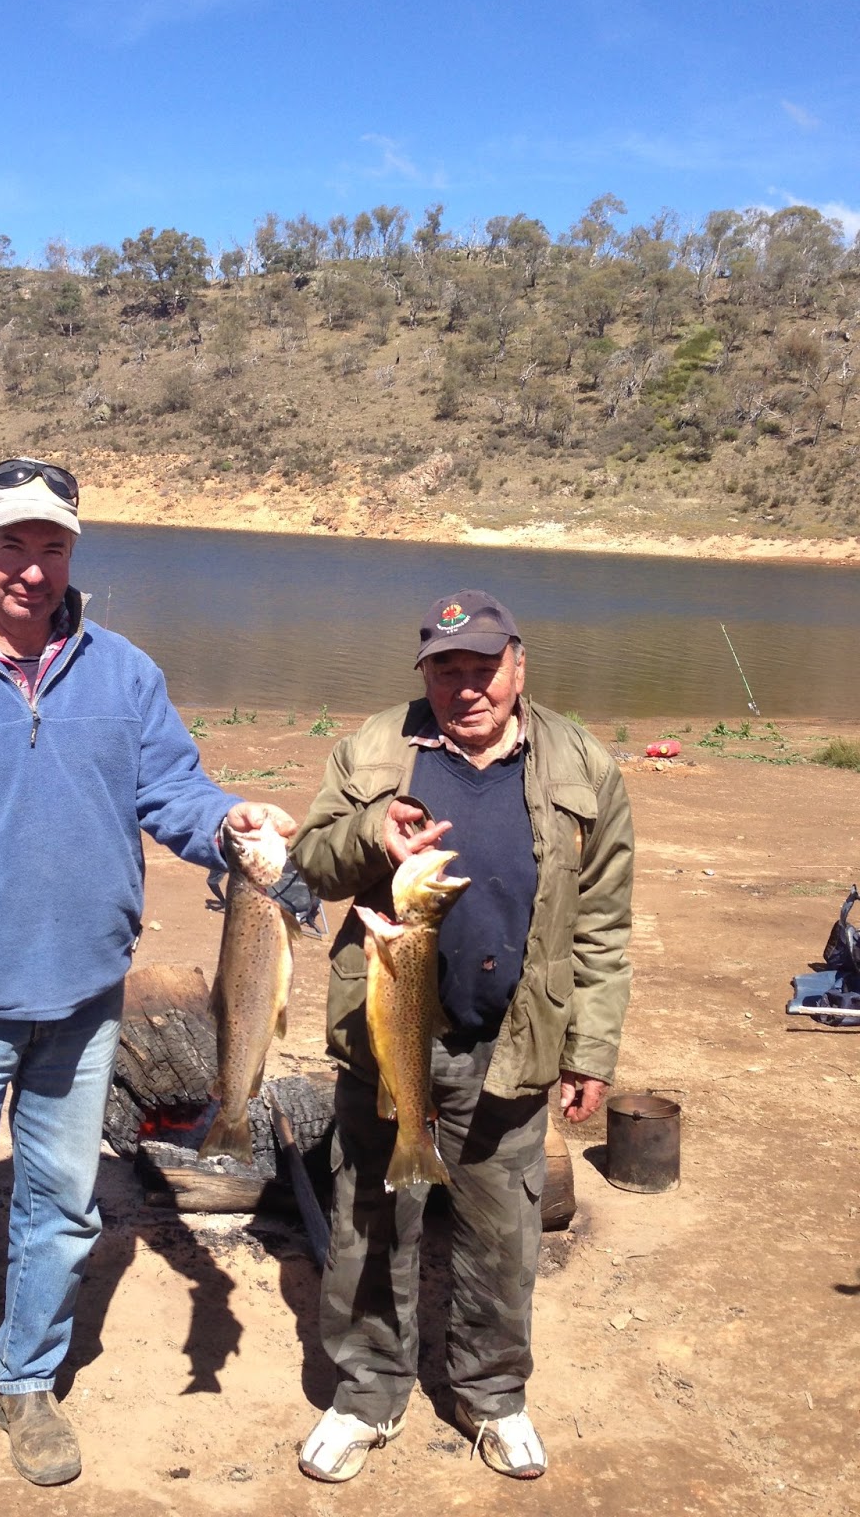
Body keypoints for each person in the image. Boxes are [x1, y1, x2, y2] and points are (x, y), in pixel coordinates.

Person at [0, 457, 294, 1502]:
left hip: (83, 1004)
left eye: (53, 544)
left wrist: (229, 824)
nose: (32, 567)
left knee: (62, 1210)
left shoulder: (121, 673)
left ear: (75, 548)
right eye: (12, 543)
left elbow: (171, 786)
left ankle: (27, 1382)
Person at [290, 589, 633, 1484]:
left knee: (503, 1232)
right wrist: (373, 830)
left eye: (483, 670)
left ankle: (492, 1394)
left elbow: (602, 922)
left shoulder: (583, 763)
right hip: (388, 1037)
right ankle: (367, 1393)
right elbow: (313, 862)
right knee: (369, 1219)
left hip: (512, 1040)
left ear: (519, 665)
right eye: (448, 671)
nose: (466, 689)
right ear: (426, 675)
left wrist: (591, 1048)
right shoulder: (375, 747)